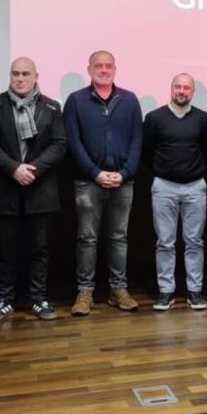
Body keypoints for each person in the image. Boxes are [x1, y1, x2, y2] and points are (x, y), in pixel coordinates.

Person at [0, 57, 66, 322]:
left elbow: (60, 144)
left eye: (25, 73)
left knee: (39, 249)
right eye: (15, 73)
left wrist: (33, 169)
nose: (20, 78)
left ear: (35, 76)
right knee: (6, 249)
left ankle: (39, 299)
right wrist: (14, 168)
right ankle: (5, 299)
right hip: (5, 188)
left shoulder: (52, 107)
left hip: (39, 189)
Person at [64, 51, 143, 314]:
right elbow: (73, 143)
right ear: (89, 69)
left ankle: (118, 290)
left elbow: (137, 140)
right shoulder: (76, 101)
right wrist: (95, 172)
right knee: (87, 238)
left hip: (123, 182)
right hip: (88, 182)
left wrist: (126, 172)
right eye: (98, 66)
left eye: (108, 66)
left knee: (119, 238)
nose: (104, 70)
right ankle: (85, 292)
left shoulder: (130, 100)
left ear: (115, 69)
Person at [143, 73, 207, 311]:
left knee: (194, 242)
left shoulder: (203, 118)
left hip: (195, 187)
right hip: (164, 186)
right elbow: (148, 152)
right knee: (165, 242)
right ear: (171, 89)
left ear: (193, 92)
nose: (182, 91)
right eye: (178, 87)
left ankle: (194, 290)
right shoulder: (154, 118)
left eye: (186, 88)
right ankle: (166, 291)